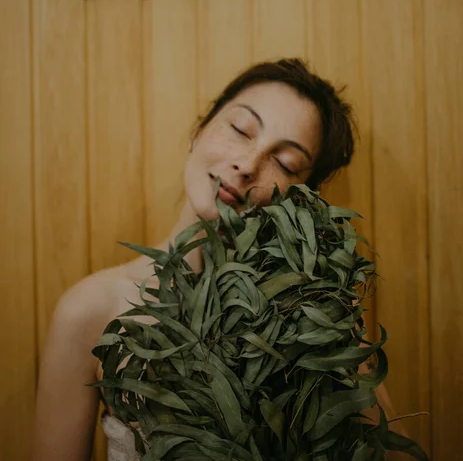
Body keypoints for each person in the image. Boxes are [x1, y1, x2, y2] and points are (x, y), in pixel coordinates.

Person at [30, 58, 406, 460]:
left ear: (304, 199)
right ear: (199, 130)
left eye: (285, 163)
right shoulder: (88, 311)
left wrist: (334, 325)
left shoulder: (313, 318)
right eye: (240, 130)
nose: (246, 166)